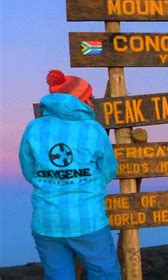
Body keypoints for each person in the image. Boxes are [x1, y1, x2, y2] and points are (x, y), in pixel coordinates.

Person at [19, 70, 121, 279]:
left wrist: (54, 179)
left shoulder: (34, 127)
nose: (93, 102)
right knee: (104, 273)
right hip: (89, 220)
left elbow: (29, 171)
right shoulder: (93, 129)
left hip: (46, 222)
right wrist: (86, 183)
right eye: (90, 98)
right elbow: (108, 170)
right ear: (82, 100)